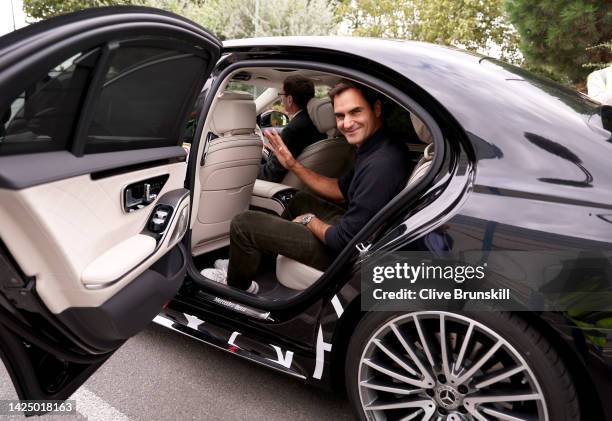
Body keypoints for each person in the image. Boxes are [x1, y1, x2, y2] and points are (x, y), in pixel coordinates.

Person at [202, 79, 413, 293]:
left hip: (348, 254)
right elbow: (340, 190)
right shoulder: (380, 146)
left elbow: (343, 241)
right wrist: (292, 164)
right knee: (300, 200)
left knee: (243, 223)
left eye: (355, 112)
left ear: (376, 109)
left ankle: (237, 286)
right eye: (340, 116)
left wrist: (309, 220)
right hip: (361, 232)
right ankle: (251, 264)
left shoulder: (381, 165)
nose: (346, 123)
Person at [258, 75, 325, 182]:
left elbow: (269, 175)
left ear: (289, 99)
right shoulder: (316, 123)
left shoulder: (293, 129)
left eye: (281, 94)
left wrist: (247, 168)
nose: (281, 98)